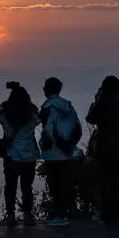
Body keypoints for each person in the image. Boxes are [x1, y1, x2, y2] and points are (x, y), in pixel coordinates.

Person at [86, 75, 119, 225]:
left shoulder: (101, 104)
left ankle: (107, 212)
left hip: (104, 143)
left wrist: (96, 100)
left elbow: (90, 118)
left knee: (105, 179)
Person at [0, 82, 41, 226]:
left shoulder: (6, 118)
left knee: (10, 187)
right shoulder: (32, 118)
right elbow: (38, 114)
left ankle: (11, 215)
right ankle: (28, 215)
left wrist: (8, 101)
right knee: (27, 187)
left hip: (12, 155)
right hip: (29, 156)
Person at [39, 77, 82, 226]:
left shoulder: (47, 107)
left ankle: (59, 215)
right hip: (67, 151)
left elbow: (48, 130)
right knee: (65, 183)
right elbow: (78, 128)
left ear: (48, 89)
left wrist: (47, 145)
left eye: (44, 87)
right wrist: (70, 144)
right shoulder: (68, 105)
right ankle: (64, 213)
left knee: (55, 184)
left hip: (52, 152)